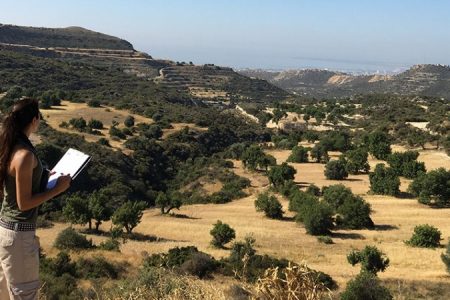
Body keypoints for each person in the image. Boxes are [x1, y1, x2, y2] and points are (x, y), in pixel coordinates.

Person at [0, 98, 71, 300]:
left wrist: (45, 176)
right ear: (34, 120)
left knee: (5, 293)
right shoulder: (24, 155)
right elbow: (24, 203)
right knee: (25, 294)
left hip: (6, 231)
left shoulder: (10, 146)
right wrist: (57, 189)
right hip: (19, 236)